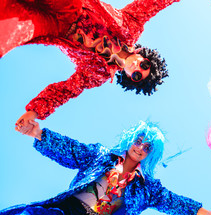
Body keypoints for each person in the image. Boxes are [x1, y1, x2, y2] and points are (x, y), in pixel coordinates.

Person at [0, 121, 211, 215]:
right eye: (139, 141)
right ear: (131, 140)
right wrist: (39, 134)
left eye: (147, 147)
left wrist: (207, 214)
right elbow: (71, 149)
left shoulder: (148, 188)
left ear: (152, 153)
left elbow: (173, 201)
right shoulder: (100, 155)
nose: (140, 148)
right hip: (66, 211)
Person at [0, 0, 178, 133]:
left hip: (55, 28)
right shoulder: (131, 26)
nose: (137, 66)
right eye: (144, 64)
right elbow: (154, 2)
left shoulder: (97, 74)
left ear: (130, 78)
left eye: (138, 75)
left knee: (11, 30)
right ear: (143, 55)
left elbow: (66, 91)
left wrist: (34, 112)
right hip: (72, 7)